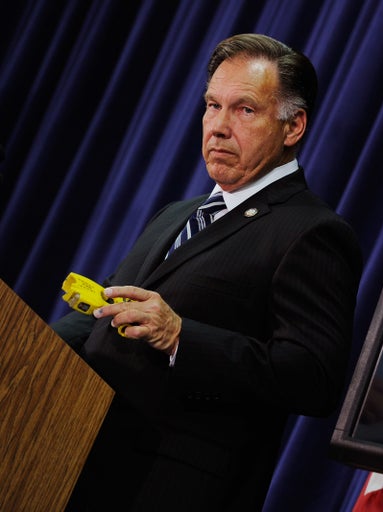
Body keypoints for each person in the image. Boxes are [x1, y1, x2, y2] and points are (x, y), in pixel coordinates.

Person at [52, 33, 363, 511]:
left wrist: (180, 337)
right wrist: (31, 349)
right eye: (212, 105)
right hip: (81, 463)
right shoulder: (178, 214)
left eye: (243, 110)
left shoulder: (312, 232)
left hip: (175, 488)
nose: (217, 127)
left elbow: (313, 378)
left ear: (293, 126)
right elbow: (108, 313)